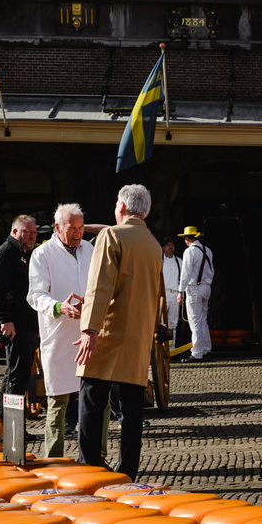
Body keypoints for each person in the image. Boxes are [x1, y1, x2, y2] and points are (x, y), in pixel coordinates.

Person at [75, 184, 163, 479]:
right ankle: (128, 471)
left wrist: (89, 328)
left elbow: (101, 285)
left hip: (108, 333)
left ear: (121, 208)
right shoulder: (153, 244)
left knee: (91, 398)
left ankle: (90, 466)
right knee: (132, 409)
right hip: (138, 335)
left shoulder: (112, 236)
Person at [27, 203, 93, 458]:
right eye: (71, 228)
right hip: (59, 335)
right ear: (57, 227)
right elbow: (35, 295)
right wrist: (58, 306)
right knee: (58, 401)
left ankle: (94, 456)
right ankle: (53, 459)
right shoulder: (42, 255)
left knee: (96, 400)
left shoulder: (89, 249)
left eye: (80, 227)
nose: (77, 233)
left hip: (90, 334)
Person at [0, 215, 39, 420]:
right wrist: (5, 320)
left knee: (17, 374)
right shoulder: (5, 253)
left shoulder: (26, 253)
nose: (31, 236)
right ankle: (12, 429)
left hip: (26, 322)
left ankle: (5, 422)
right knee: (16, 377)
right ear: (14, 232)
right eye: (26, 232)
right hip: (13, 323)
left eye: (34, 233)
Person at [177, 226, 213, 362]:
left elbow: (185, 273)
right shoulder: (207, 250)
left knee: (195, 322)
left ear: (187, 238)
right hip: (206, 287)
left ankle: (197, 353)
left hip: (195, 288)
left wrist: (180, 291)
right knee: (203, 320)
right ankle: (206, 349)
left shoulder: (189, 252)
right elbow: (211, 271)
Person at [161, 237, 182, 344]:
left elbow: (183, 279)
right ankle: (161, 348)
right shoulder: (159, 261)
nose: (170, 247)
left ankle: (171, 348)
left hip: (175, 294)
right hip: (162, 294)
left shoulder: (179, 261)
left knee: (173, 323)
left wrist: (181, 293)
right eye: (168, 245)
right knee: (161, 322)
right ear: (163, 247)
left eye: (172, 245)